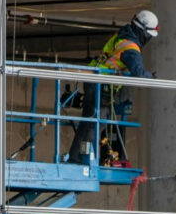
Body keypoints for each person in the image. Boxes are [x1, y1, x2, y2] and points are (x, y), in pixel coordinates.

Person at [67, 10, 159, 165]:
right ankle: (83, 159)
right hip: (100, 84)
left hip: (94, 80)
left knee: (89, 122)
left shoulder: (121, 36)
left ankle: (77, 156)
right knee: (96, 123)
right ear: (143, 31)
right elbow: (139, 74)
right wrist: (152, 77)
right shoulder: (131, 48)